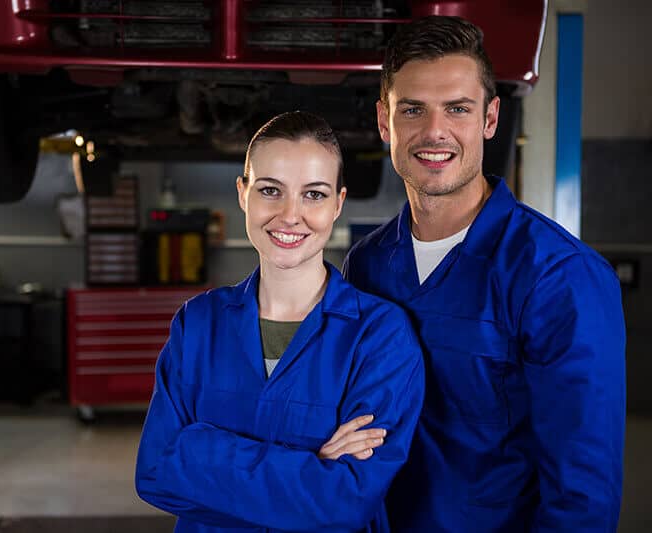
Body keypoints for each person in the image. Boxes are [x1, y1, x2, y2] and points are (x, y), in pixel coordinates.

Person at [342, 16, 626, 532]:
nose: (434, 132)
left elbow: (582, 492)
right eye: (413, 109)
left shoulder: (561, 276)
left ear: (490, 119)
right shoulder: (366, 264)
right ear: (385, 121)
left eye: (457, 109)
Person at [136, 111, 424, 532]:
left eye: (314, 195)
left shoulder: (380, 336)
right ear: (243, 193)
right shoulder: (197, 324)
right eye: (271, 190)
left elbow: (346, 502)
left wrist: (201, 456)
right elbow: (155, 472)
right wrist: (314, 466)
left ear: (338, 203)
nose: (290, 215)